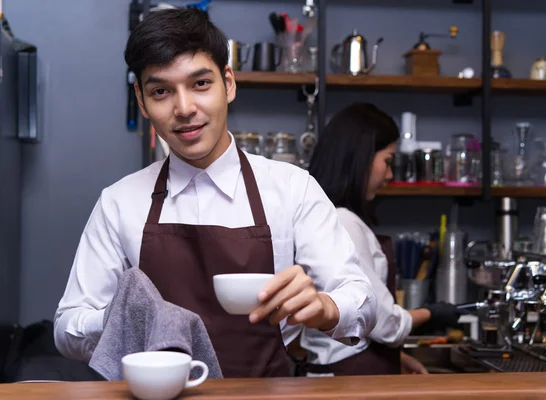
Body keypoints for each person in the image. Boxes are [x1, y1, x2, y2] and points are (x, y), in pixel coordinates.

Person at [53, 9, 378, 379]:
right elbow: (67, 328)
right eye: (161, 91)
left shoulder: (292, 189)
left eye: (200, 84)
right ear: (142, 103)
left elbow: (363, 306)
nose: (185, 108)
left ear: (229, 83)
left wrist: (324, 307)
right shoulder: (119, 202)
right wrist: (123, 315)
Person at [302, 102, 464, 376]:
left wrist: (396, 360)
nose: (389, 175)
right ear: (361, 158)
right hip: (350, 376)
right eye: (387, 161)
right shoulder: (343, 221)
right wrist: (432, 313)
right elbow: (381, 320)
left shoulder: (329, 217)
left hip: (344, 366)